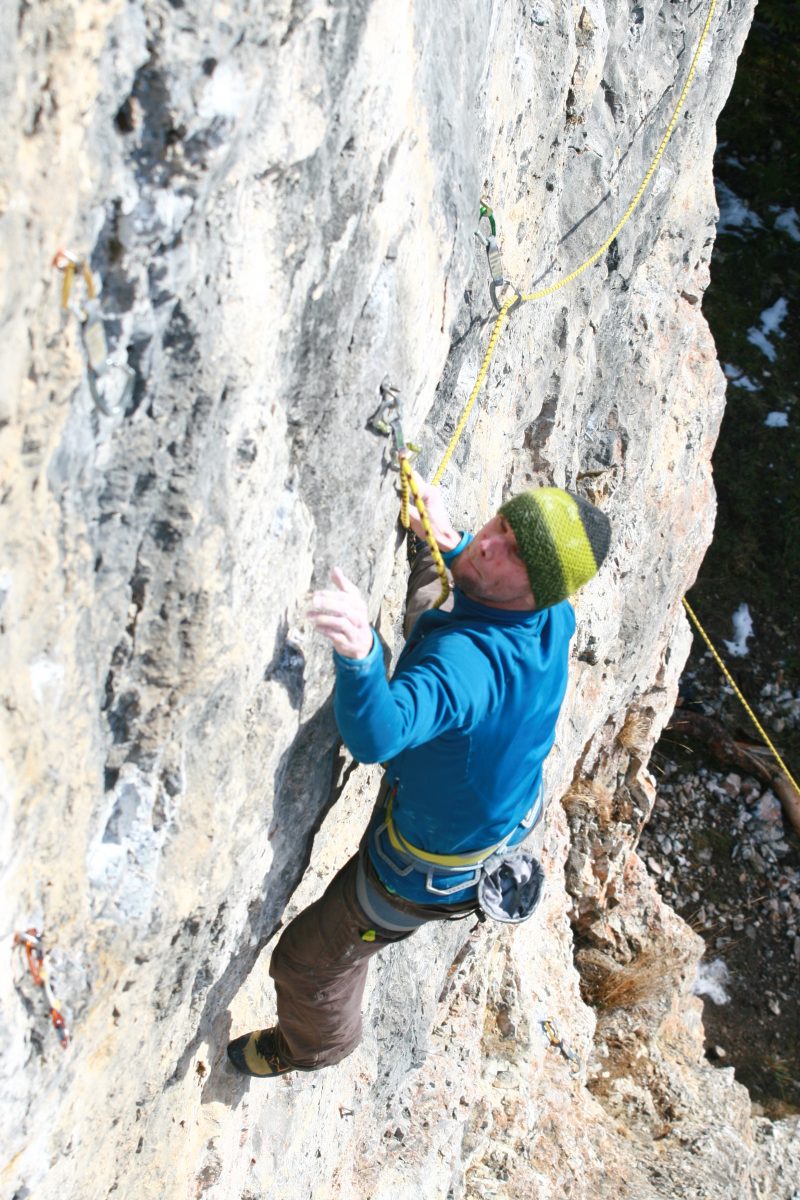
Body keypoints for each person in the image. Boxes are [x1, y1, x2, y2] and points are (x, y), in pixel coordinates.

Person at [227, 472, 611, 1078]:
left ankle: (312, 1047)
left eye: (511, 554)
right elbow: (482, 591)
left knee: (307, 963)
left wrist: (358, 656)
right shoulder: (551, 617)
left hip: (419, 873)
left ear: (539, 592)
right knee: (433, 607)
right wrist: (449, 541)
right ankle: (429, 558)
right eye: (501, 527)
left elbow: (377, 738)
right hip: (479, 809)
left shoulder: (468, 668)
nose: (490, 546)